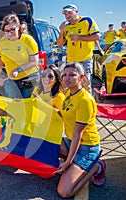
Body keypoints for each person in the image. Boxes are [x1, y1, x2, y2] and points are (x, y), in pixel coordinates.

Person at [54, 62, 106, 198]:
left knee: (64, 192)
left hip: (86, 147)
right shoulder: (68, 94)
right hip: (71, 142)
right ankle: (74, 167)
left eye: (72, 75)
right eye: (64, 75)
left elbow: (78, 135)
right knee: (47, 143)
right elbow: (64, 113)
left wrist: (67, 163)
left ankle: (97, 167)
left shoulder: (85, 100)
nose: (67, 78)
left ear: (82, 77)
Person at [57, 4, 100, 93]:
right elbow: (60, 43)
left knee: (86, 85)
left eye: (69, 12)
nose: (67, 16)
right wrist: (61, 32)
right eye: (65, 14)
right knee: (70, 85)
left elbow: (97, 36)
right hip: (71, 61)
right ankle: (74, 104)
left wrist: (79, 37)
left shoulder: (87, 21)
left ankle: (88, 105)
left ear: (76, 12)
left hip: (85, 59)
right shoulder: (67, 27)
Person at [0, 14, 39, 99]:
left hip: (29, 77)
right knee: (14, 104)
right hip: (11, 79)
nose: (10, 33)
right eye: (7, 30)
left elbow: (34, 61)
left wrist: (18, 70)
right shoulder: (2, 42)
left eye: (12, 29)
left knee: (26, 104)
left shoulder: (28, 40)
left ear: (18, 27)